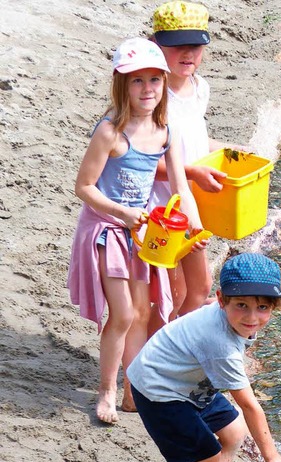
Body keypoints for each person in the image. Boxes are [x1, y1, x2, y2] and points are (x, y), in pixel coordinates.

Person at [67, 37, 207, 424]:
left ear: (164, 84)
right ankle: (107, 391)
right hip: (106, 229)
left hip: (142, 231)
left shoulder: (166, 129)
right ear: (122, 85)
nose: (147, 90)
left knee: (144, 311)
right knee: (124, 312)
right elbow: (84, 187)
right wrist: (122, 213)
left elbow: (180, 186)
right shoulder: (111, 132)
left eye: (154, 81)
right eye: (137, 81)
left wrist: (194, 226)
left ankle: (134, 392)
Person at [127, 253, 281, 462]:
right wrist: (271, 456)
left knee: (234, 433)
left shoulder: (224, 311)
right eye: (241, 305)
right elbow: (249, 405)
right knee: (208, 457)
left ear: (274, 306)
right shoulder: (221, 345)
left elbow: (211, 306)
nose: (252, 318)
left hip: (184, 381)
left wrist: (236, 306)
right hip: (159, 389)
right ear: (222, 300)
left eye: (262, 307)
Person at [147, 1, 249, 334]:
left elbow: (194, 139)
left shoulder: (199, 88)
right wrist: (192, 173)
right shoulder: (153, 97)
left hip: (191, 203)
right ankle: (160, 349)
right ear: (156, 45)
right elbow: (144, 161)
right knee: (170, 292)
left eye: (196, 45)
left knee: (201, 287)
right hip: (161, 207)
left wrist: (231, 151)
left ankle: (172, 344)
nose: (188, 53)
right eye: (178, 46)